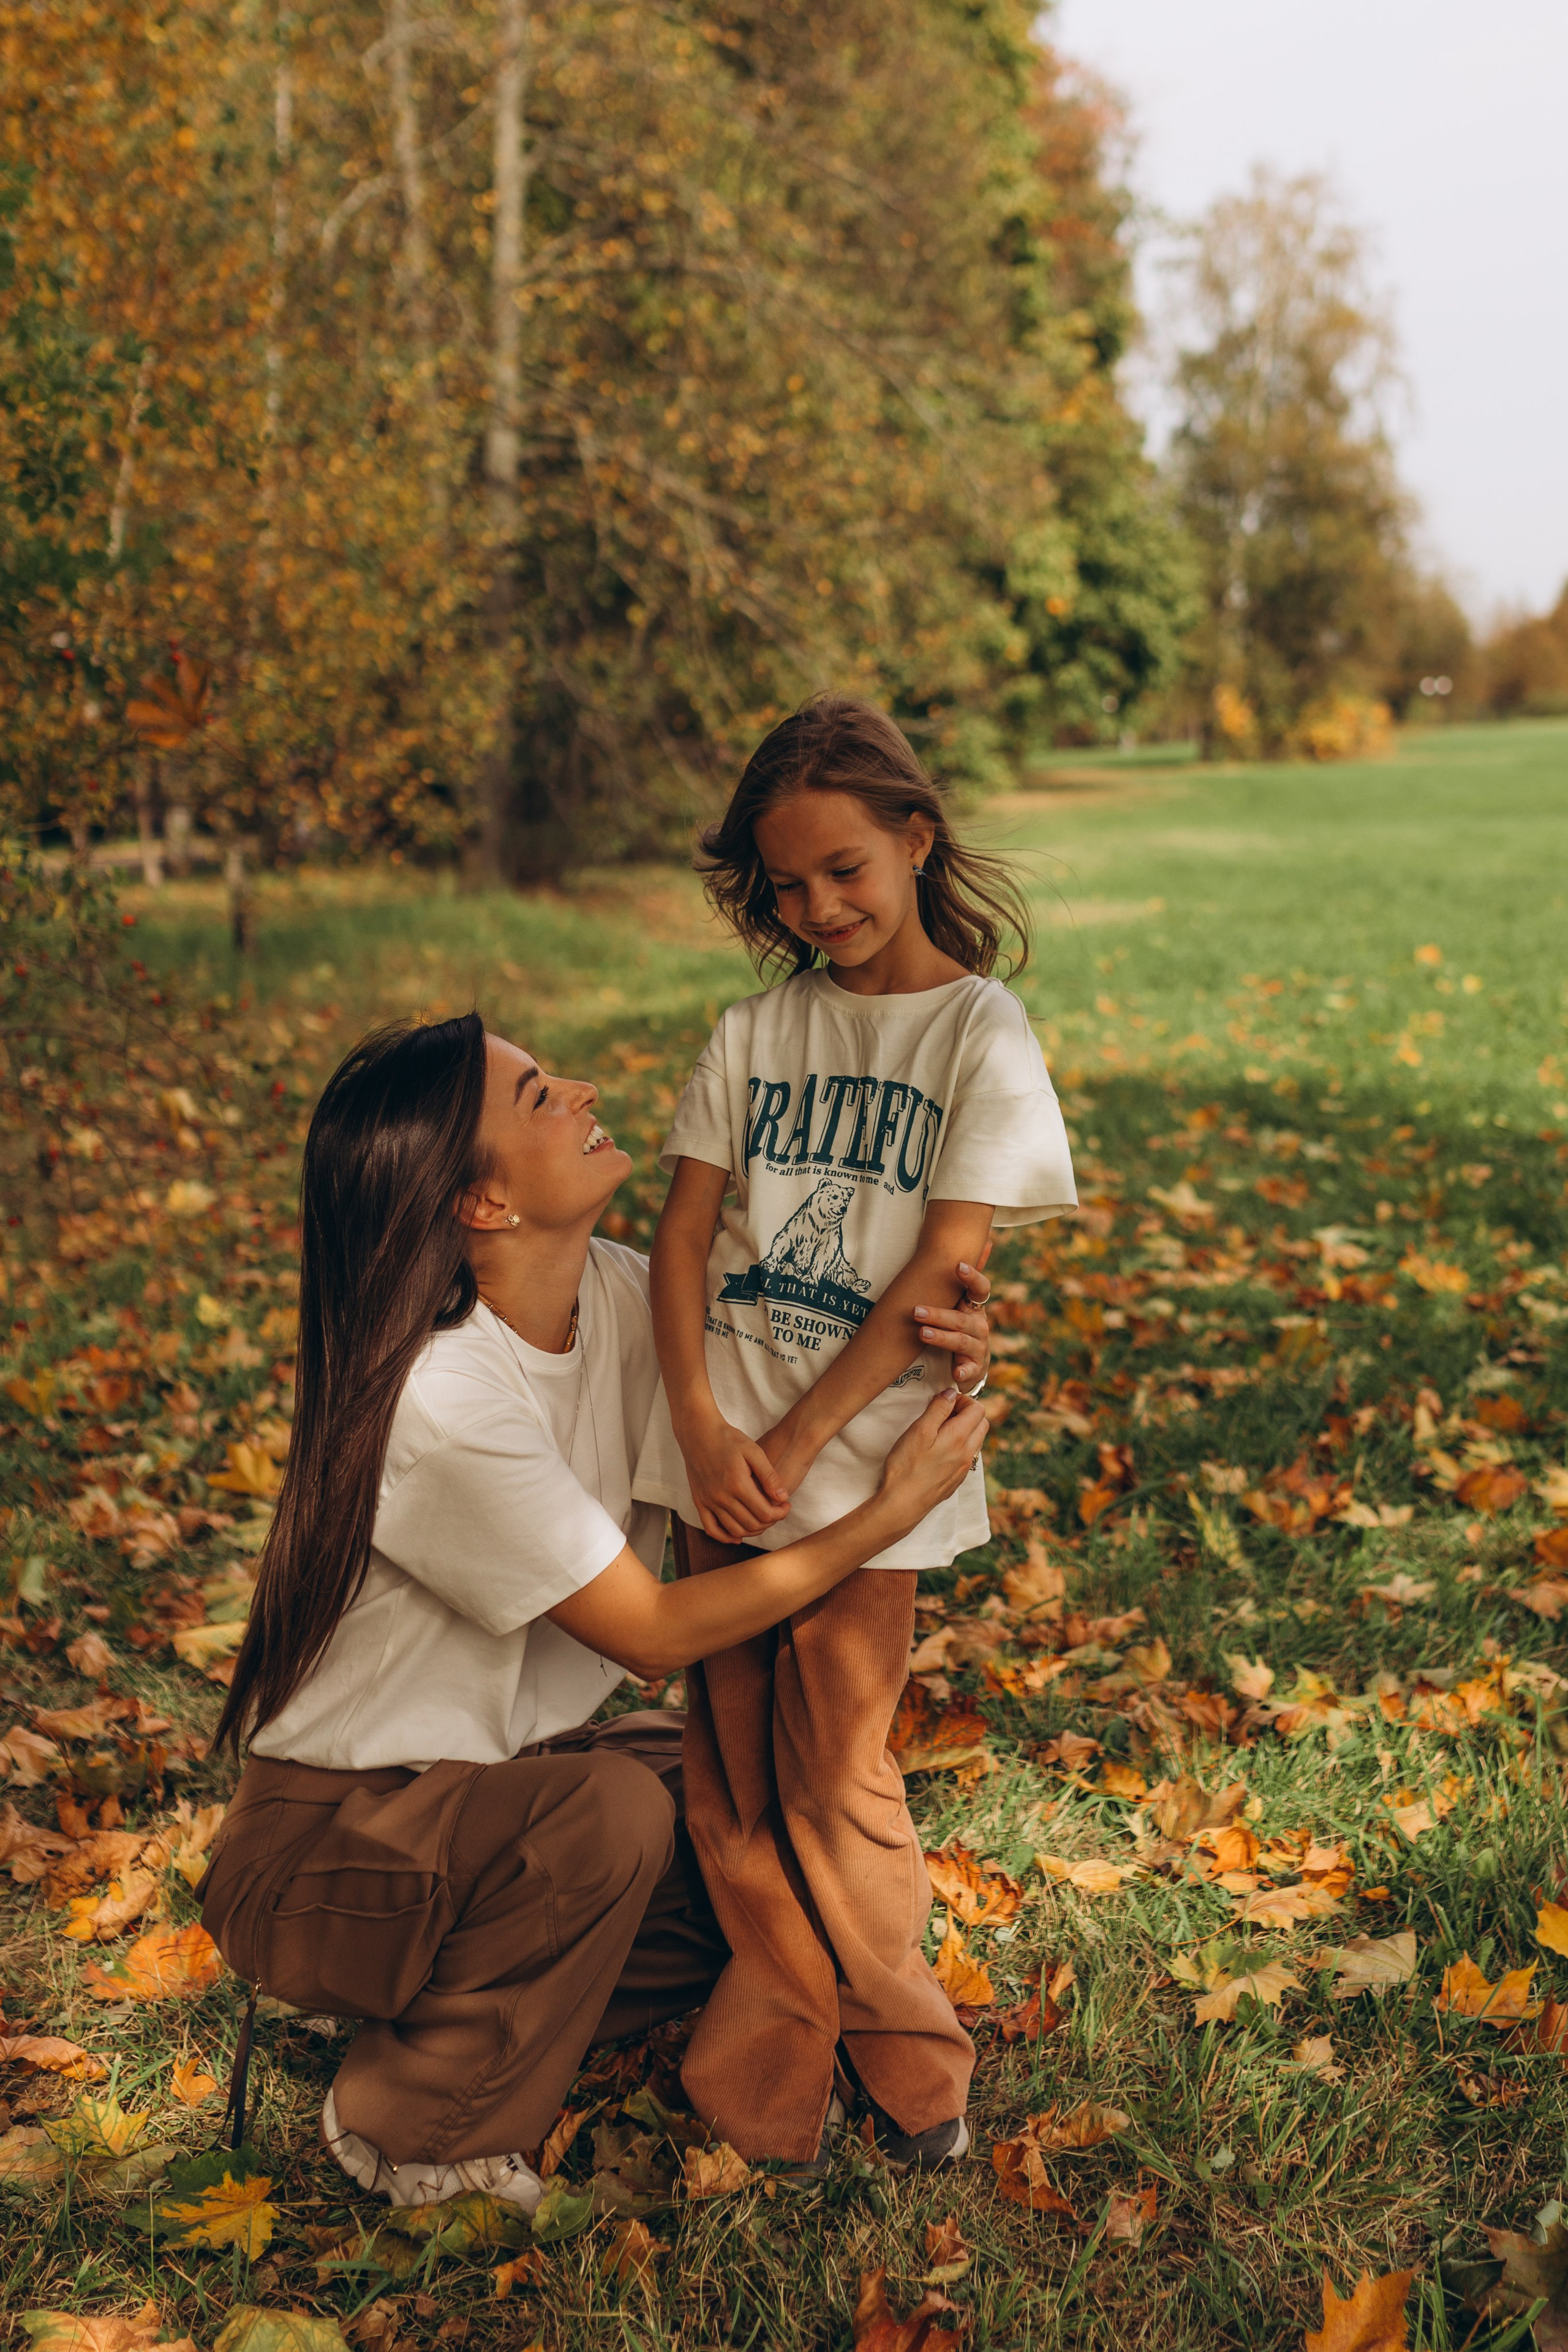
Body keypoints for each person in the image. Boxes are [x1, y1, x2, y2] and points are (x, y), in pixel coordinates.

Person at [198, 1009, 992, 2213]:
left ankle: (508, 2002)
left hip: (499, 1793)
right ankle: (403, 2123)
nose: (575, 1088)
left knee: (758, 1794)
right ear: (480, 1205)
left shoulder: (627, 1301)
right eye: (532, 1097)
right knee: (610, 1815)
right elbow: (653, 1633)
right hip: (328, 1853)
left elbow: (818, 1351)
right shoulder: (442, 1398)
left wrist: (937, 1334)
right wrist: (882, 1523)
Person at [632, 693, 1077, 2169]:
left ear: (913, 839)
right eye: (786, 884)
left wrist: (801, 1437)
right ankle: (768, 2063)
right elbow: (684, 1234)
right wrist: (701, 1422)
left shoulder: (979, 1033)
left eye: (845, 871)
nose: (816, 908)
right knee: (734, 1767)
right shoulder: (757, 1030)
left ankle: (911, 2052)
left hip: (875, 1461)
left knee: (839, 1764)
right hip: (720, 1449)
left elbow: (943, 1272)